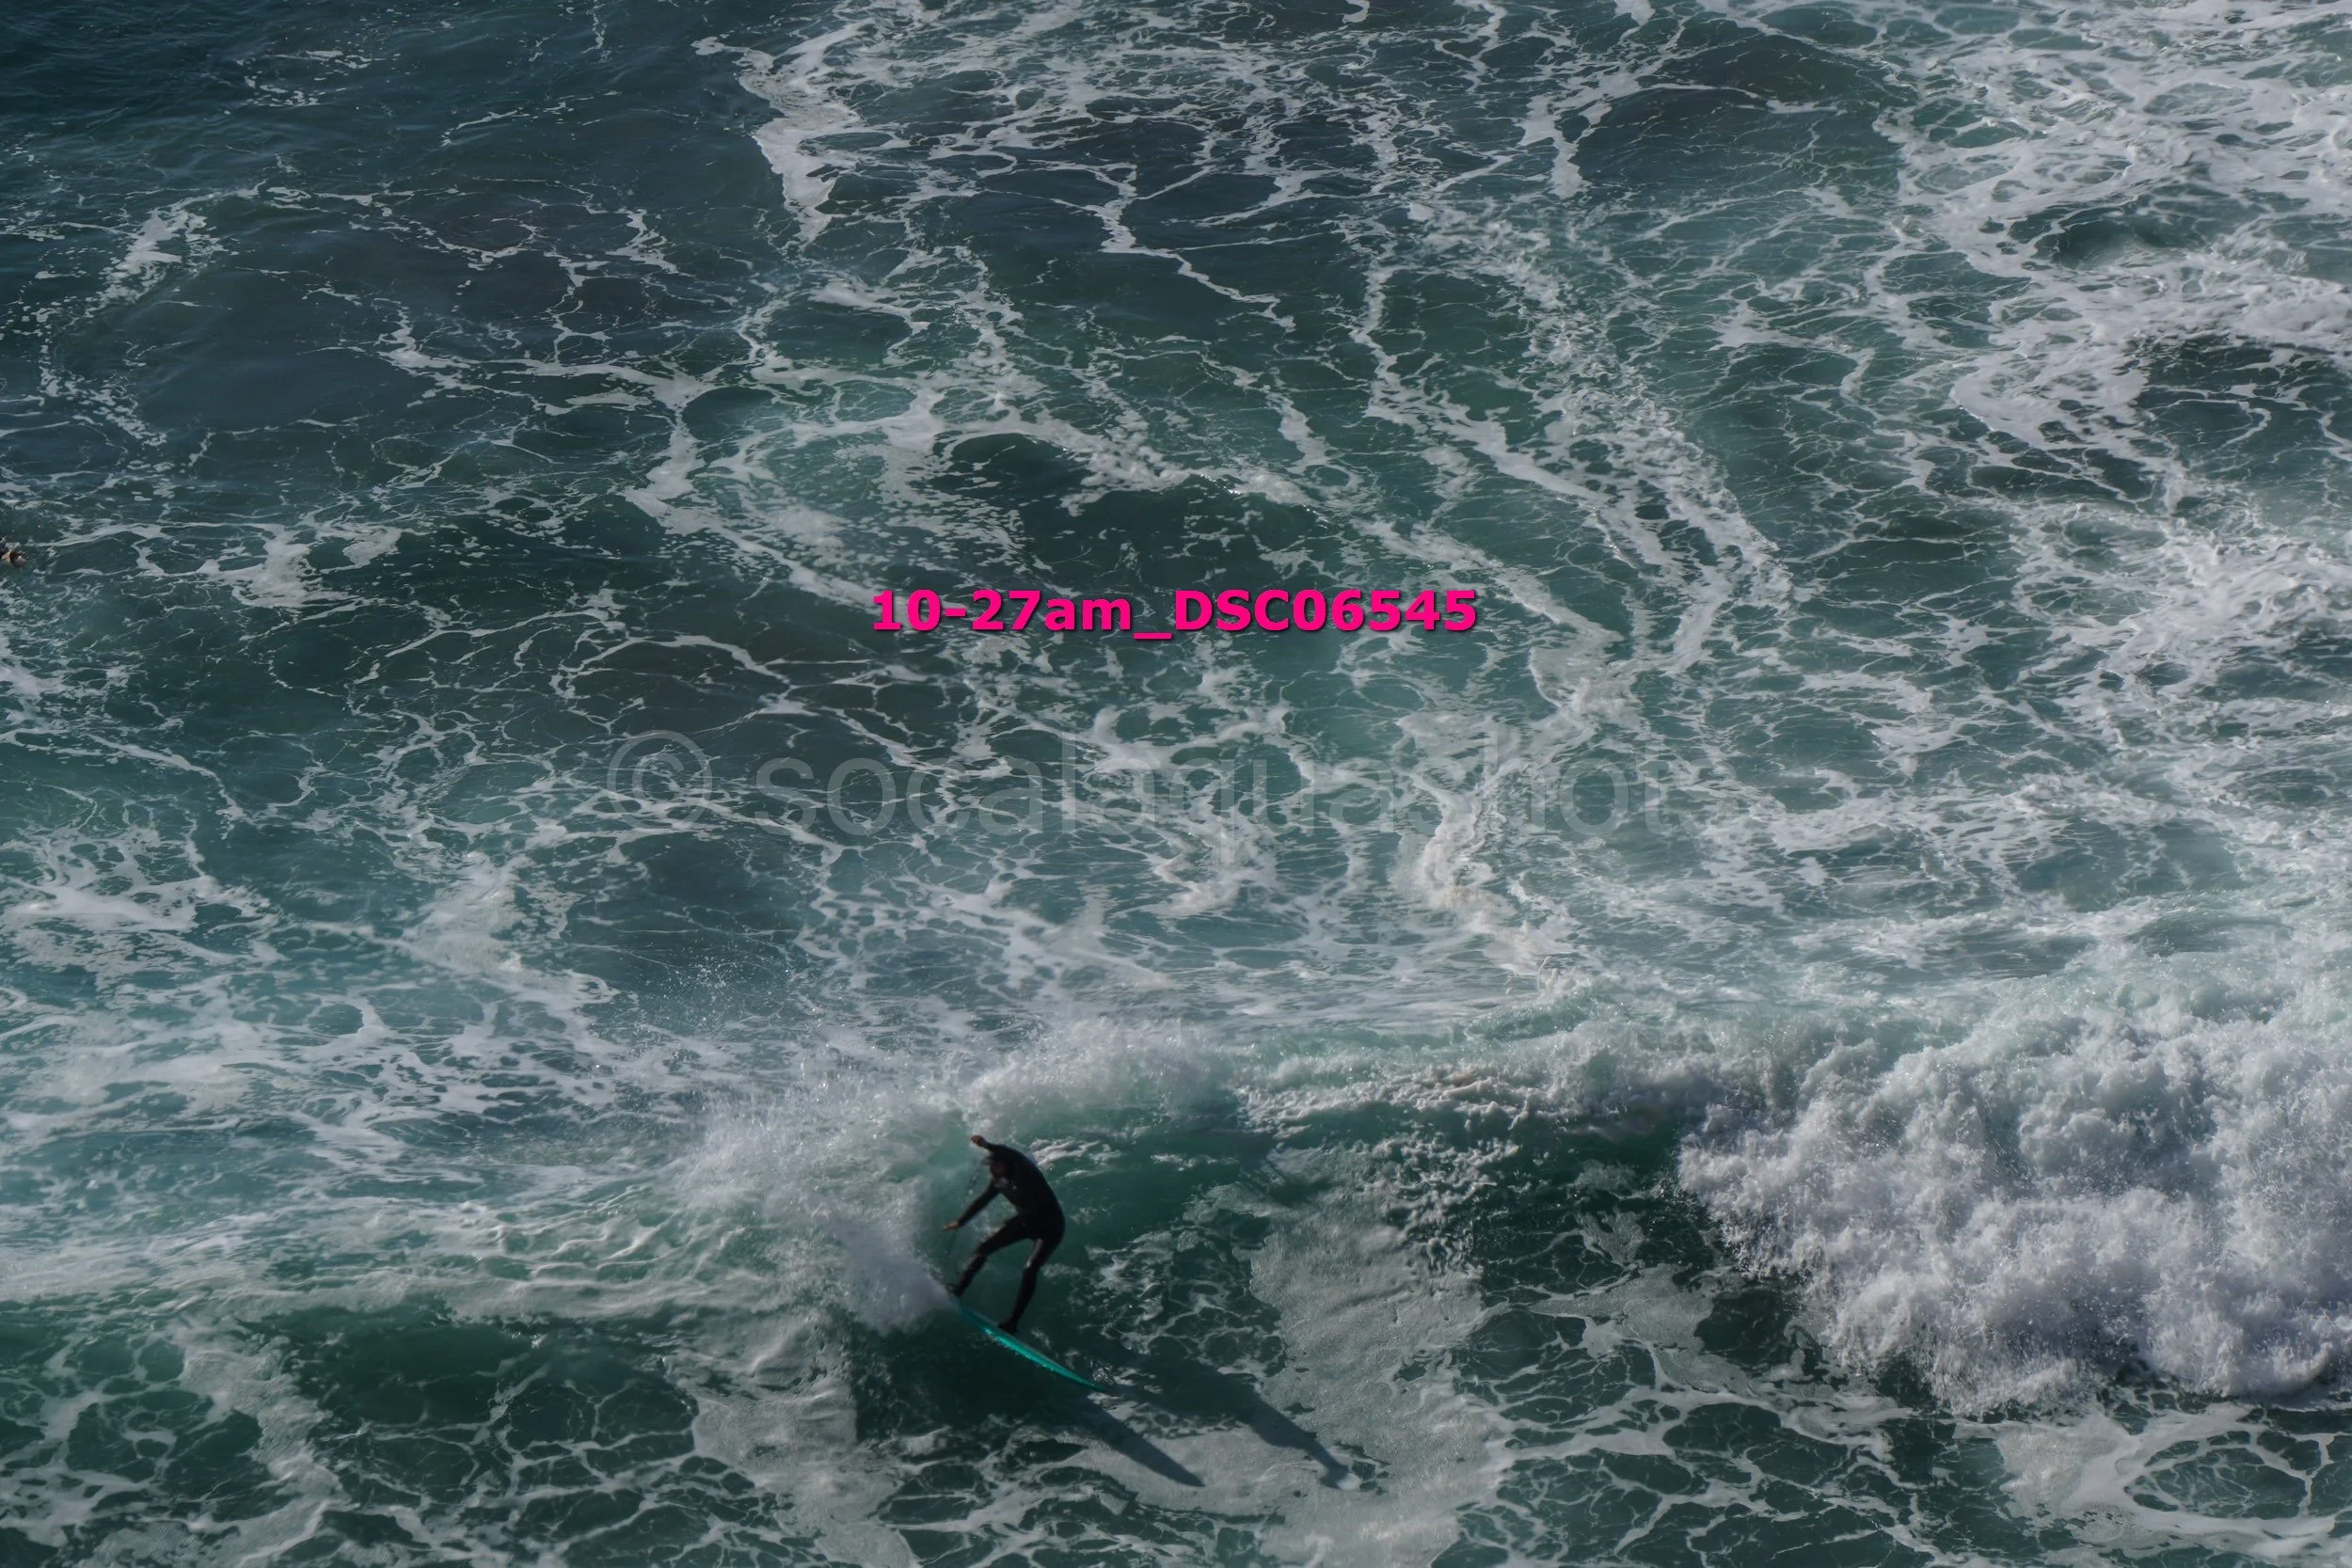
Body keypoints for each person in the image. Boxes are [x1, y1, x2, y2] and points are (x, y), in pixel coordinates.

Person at [944, 1133, 1065, 1335]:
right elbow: (982, 1201)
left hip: (1051, 1228)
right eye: (991, 1165)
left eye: (996, 1165)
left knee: (1030, 1270)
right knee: (983, 1248)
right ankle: (959, 1289)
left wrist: (987, 1144)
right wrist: (961, 1221)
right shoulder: (999, 1182)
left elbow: (1013, 1155)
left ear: (1006, 1164)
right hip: (1025, 1223)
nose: (992, 1169)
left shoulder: (1024, 1172)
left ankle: (1013, 1322)